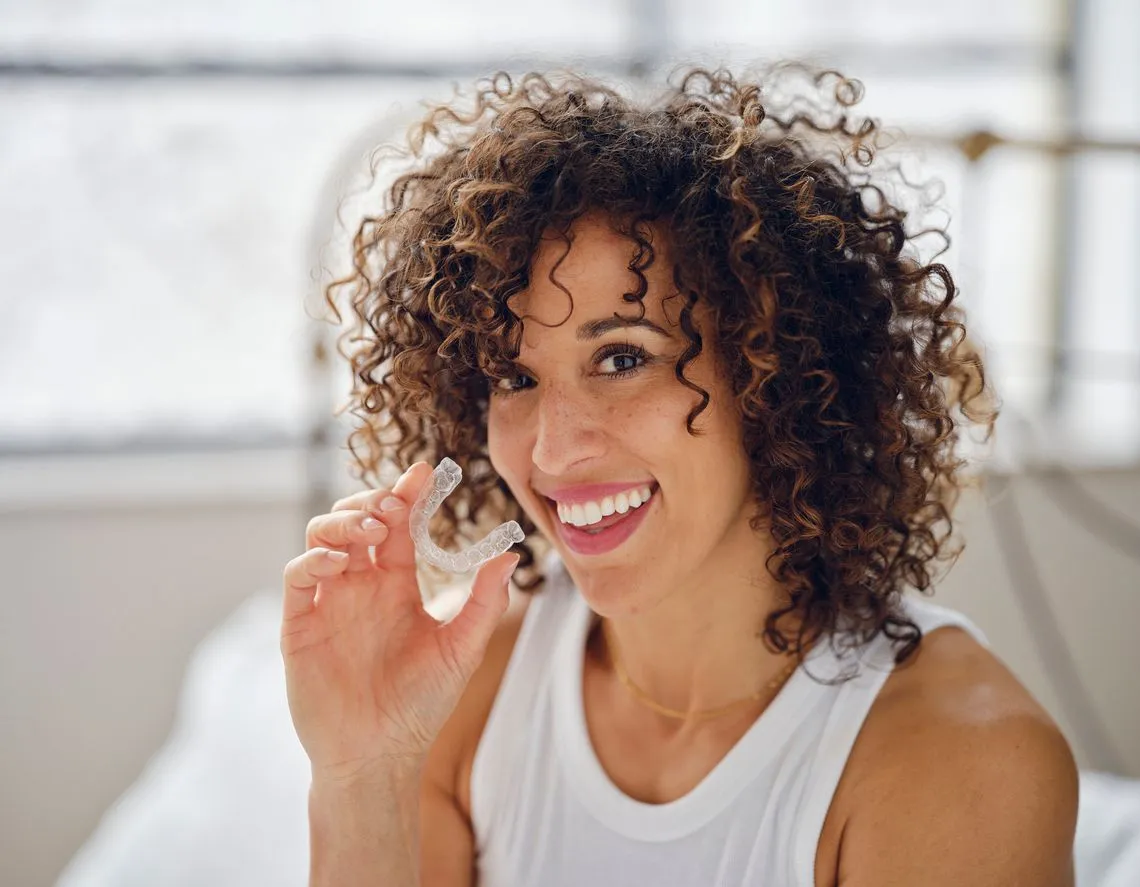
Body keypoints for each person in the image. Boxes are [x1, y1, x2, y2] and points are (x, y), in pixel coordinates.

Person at [280, 62, 1079, 886]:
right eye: (514, 377)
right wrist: (360, 775)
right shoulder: (467, 683)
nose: (551, 453)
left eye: (621, 357)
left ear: (778, 375)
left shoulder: (955, 760)